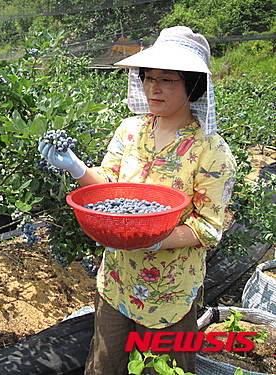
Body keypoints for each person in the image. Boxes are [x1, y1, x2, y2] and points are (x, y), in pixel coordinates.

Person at [38, 26, 237, 374]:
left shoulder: (211, 151)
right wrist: (76, 167)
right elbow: (109, 190)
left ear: (192, 84)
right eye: (148, 77)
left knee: (163, 368)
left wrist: (151, 238)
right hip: (116, 282)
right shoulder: (130, 131)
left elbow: (208, 227)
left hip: (170, 293)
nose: (153, 88)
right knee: (104, 365)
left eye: (167, 80)